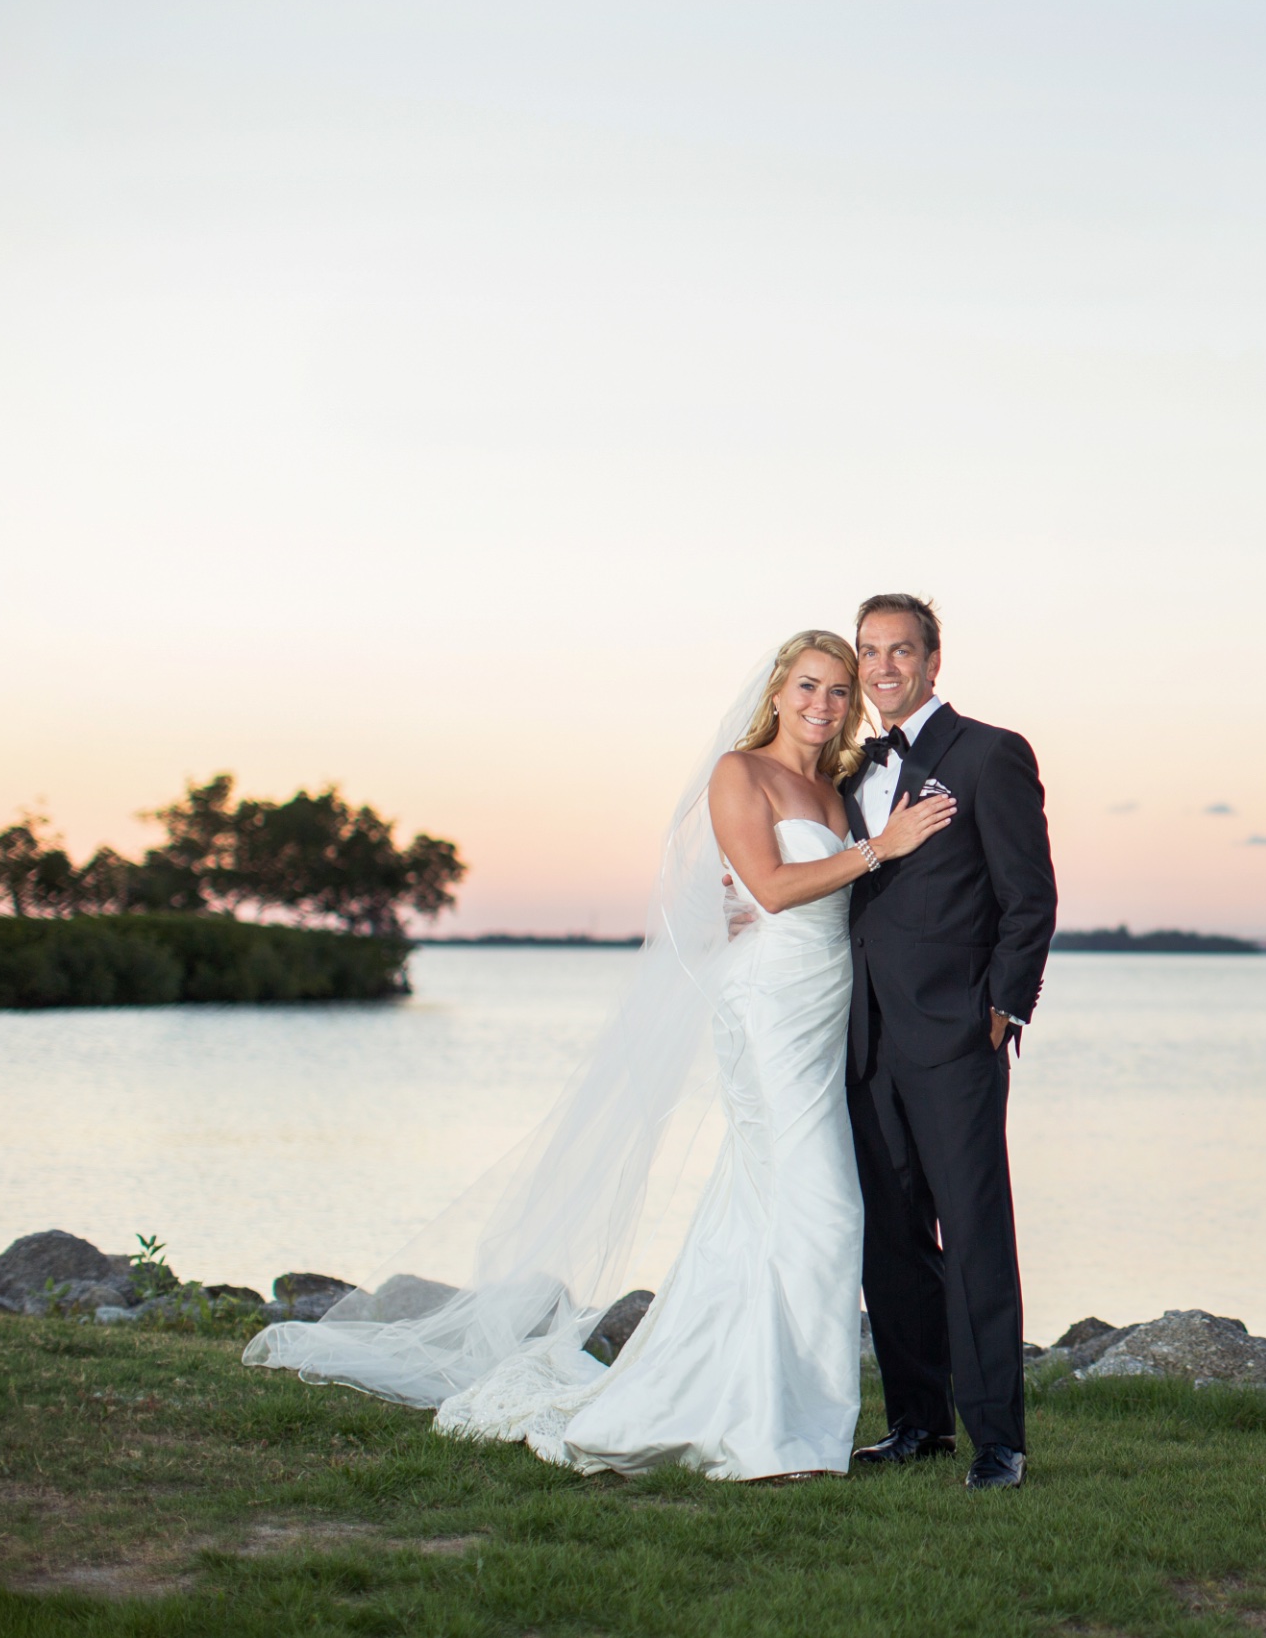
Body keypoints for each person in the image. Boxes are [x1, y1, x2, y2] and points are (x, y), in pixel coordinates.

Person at [244, 631, 954, 1483]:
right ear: (776, 691)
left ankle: (763, 1408)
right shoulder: (740, 774)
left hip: (821, 1000)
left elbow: (806, 896)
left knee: (768, 1212)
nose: (824, 704)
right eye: (810, 686)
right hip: (765, 1008)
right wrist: (886, 847)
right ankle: (776, 1430)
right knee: (825, 1211)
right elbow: (766, 886)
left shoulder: (828, 787)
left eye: (840, 691)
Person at [839, 593, 1057, 1490]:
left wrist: (1002, 1008)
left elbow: (1029, 896)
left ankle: (997, 1441)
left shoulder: (988, 754)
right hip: (861, 1042)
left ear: (933, 661)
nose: (883, 667)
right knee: (888, 1243)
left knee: (972, 1237)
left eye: (900, 650)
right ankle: (916, 1425)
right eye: (868, 652)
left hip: (954, 1038)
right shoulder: (846, 768)